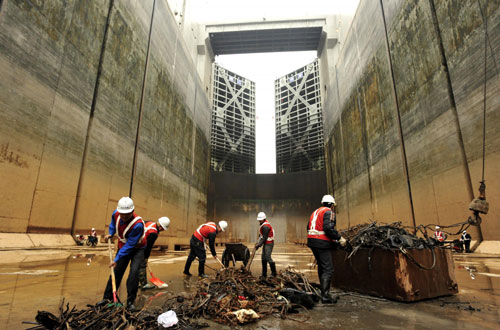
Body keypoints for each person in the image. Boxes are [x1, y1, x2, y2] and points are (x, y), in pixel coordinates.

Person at [101, 197, 145, 310]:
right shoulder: (116, 214)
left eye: (127, 214)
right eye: (122, 214)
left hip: (137, 249)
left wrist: (116, 259)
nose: (124, 216)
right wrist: (111, 233)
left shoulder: (138, 225)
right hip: (123, 245)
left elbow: (130, 246)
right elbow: (112, 224)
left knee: (133, 274)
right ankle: (107, 299)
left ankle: (130, 302)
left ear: (132, 211)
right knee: (116, 272)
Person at [307, 194, 347, 304]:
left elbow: (308, 227)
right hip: (322, 243)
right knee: (328, 269)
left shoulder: (314, 212)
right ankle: (325, 296)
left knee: (321, 266)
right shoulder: (329, 212)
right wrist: (339, 238)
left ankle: (324, 292)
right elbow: (328, 228)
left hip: (312, 242)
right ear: (331, 205)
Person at [138, 217, 171, 289]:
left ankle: (136, 282)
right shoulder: (153, 233)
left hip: (135, 241)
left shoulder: (149, 222)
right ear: (161, 226)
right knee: (142, 265)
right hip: (140, 246)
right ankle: (144, 284)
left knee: (136, 265)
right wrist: (146, 257)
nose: (163, 230)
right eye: (163, 228)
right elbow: (148, 247)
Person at [254, 212, 277, 277]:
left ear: (264, 219)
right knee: (263, 258)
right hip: (266, 243)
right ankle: (264, 274)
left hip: (269, 243)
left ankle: (274, 273)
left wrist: (258, 245)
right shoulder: (263, 224)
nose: (259, 220)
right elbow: (262, 235)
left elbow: (264, 238)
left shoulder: (265, 226)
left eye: (260, 219)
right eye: (259, 219)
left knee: (267, 257)